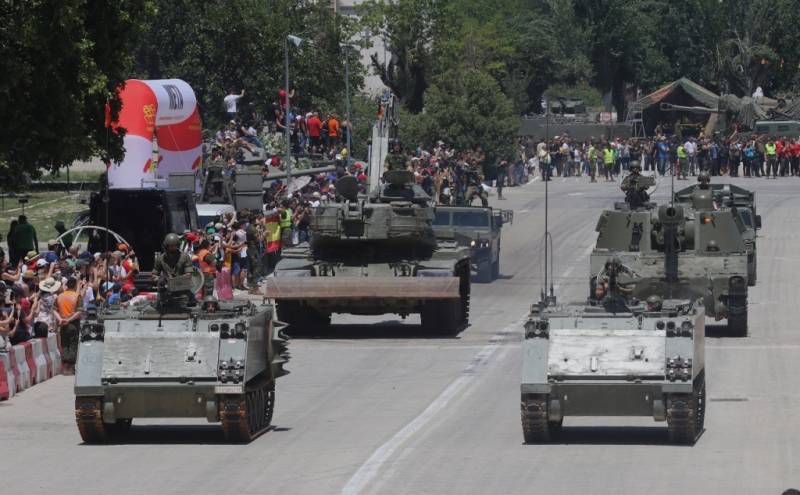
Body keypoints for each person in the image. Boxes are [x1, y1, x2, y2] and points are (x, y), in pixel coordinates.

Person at [56, 277, 81, 374]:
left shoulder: (60, 296)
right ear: (75, 286)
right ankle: (70, 368)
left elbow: (53, 310)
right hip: (73, 324)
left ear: (66, 286)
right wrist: (69, 320)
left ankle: (65, 368)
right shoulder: (77, 296)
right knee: (73, 345)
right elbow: (79, 312)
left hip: (62, 324)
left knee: (64, 344)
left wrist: (60, 319)